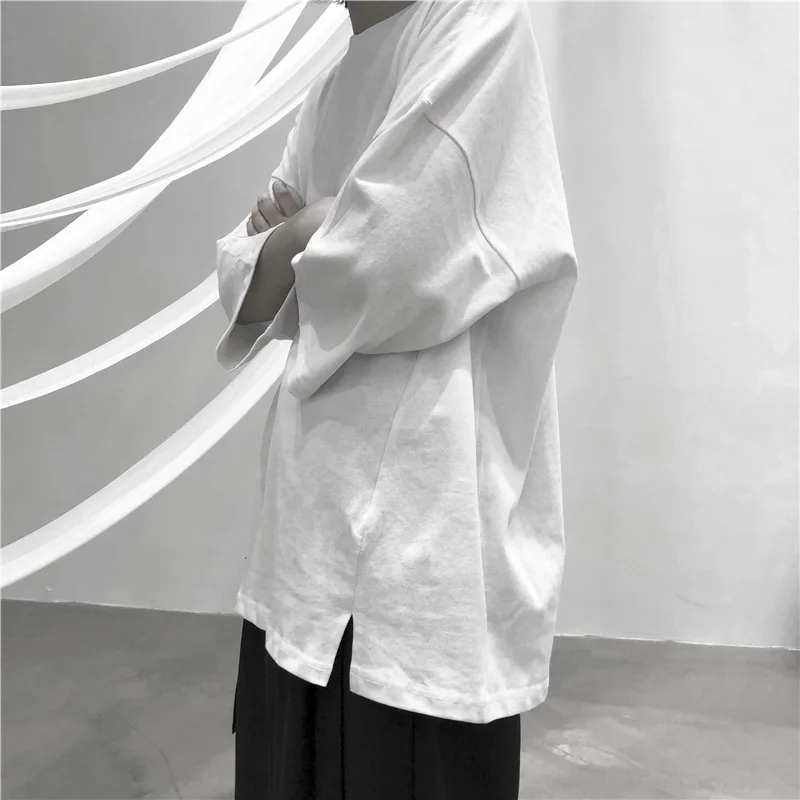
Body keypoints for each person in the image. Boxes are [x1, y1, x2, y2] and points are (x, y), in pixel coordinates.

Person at [214, 0, 579, 797]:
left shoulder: (478, 28)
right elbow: (240, 281)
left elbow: (384, 264)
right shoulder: (334, 83)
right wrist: (310, 232)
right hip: (301, 543)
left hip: (416, 554)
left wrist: (303, 236)